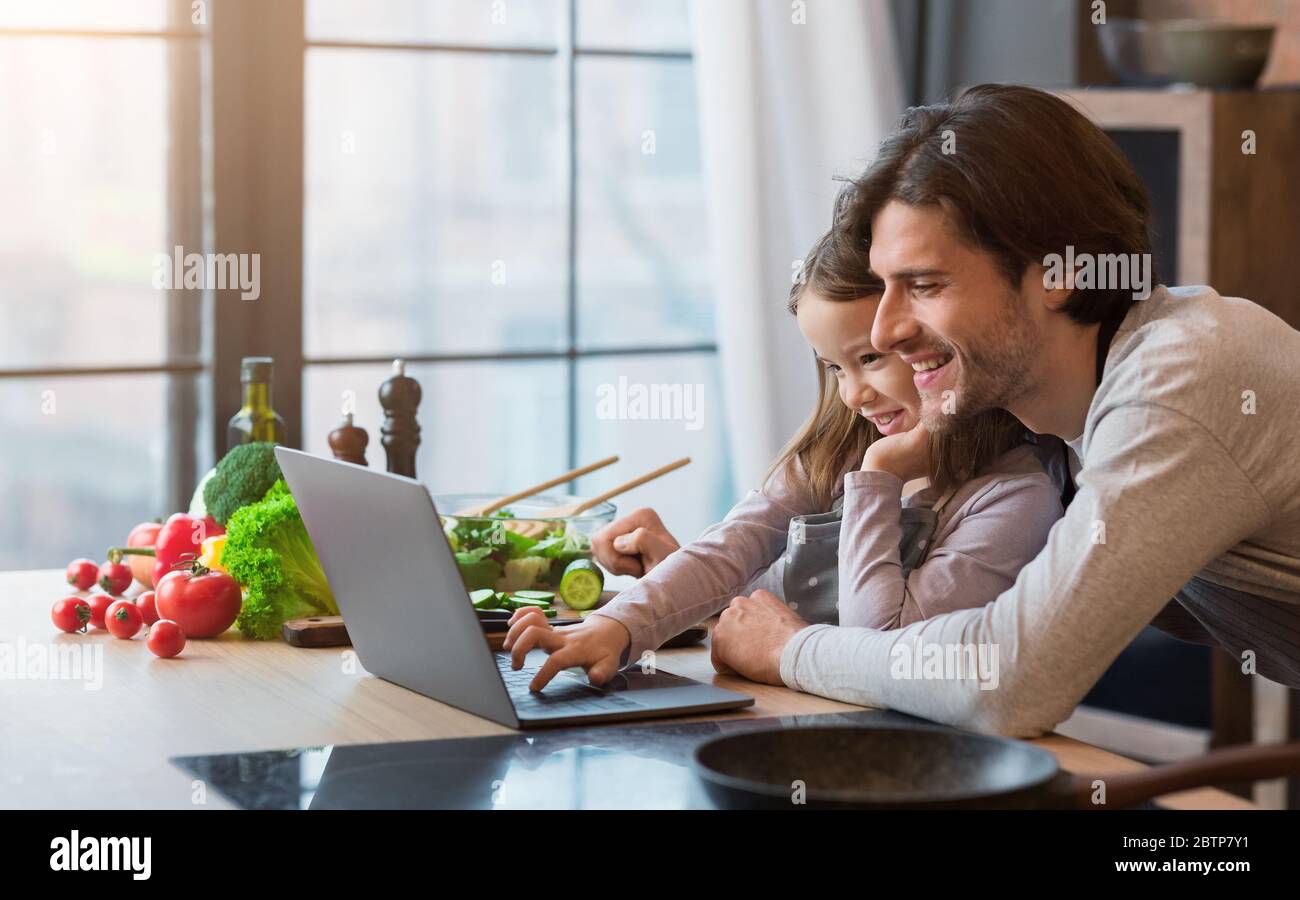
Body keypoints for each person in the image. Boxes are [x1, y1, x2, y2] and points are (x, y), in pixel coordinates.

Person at [698, 83, 1300, 736]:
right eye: (884, 288)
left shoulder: (1180, 378)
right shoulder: (1053, 416)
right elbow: (959, 638)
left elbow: (1011, 679)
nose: (883, 333)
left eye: (924, 285)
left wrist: (790, 651)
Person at [503, 223, 1063, 692]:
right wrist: (616, 624)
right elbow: (735, 545)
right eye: (835, 368)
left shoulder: (1013, 498)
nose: (853, 395)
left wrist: (881, 479)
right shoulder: (838, 448)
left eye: (870, 357)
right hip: (783, 709)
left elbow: (882, 645)